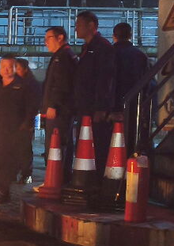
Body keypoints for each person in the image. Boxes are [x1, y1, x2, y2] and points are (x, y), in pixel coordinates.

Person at [0, 56, 31, 203]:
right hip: (0, 130)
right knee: (2, 159)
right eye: (3, 66)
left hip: (18, 129)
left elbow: (31, 105)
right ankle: (4, 191)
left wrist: (26, 123)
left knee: (18, 156)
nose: (6, 69)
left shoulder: (23, 85)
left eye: (10, 66)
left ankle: (23, 175)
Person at [74, 11, 118, 164]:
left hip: (94, 108)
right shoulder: (87, 48)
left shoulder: (102, 48)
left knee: (96, 145)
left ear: (91, 25)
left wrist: (101, 107)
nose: (75, 29)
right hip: (85, 106)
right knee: (84, 144)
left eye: (78, 25)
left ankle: (97, 179)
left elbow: (105, 78)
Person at [39, 26, 77, 186]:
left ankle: (55, 181)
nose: (45, 42)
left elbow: (61, 84)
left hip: (60, 112)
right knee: (59, 146)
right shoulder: (60, 56)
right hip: (59, 110)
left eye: (49, 38)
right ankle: (57, 180)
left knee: (56, 146)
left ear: (60, 37)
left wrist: (53, 105)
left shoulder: (63, 57)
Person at [112, 22, 151, 154]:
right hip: (136, 104)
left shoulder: (109, 54)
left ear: (114, 36)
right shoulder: (140, 55)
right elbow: (148, 82)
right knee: (132, 138)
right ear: (130, 35)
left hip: (112, 105)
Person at [14, 58, 41, 183]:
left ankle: (26, 173)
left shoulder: (31, 84)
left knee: (24, 148)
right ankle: (13, 172)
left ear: (25, 69)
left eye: (19, 68)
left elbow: (33, 105)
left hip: (25, 121)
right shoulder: (13, 82)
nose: (16, 71)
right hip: (13, 120)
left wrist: (28, 120)